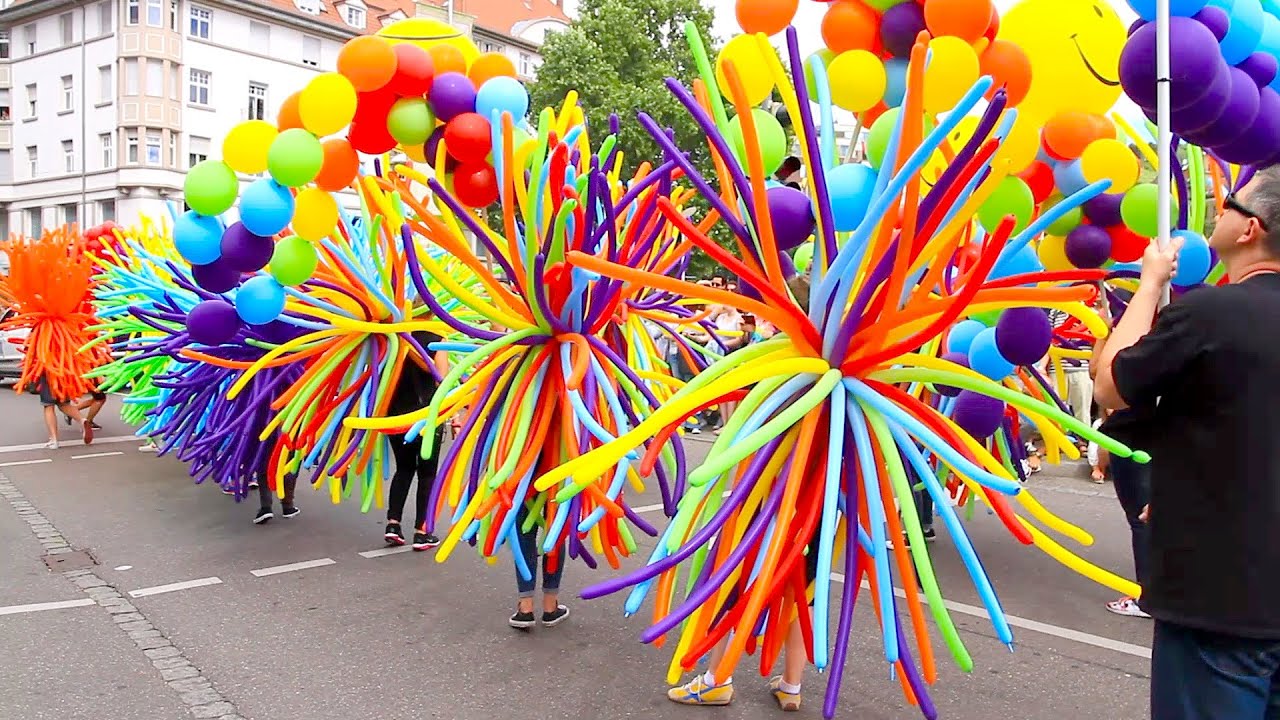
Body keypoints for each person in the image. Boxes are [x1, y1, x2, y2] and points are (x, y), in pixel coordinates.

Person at [1094, 167, 1280, 719]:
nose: (1218, 212)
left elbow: (1110, 386)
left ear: (1251, 230)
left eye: (1228, 203)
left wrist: (1150, 283)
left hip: (1219, 601)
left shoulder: (1210, 313)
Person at [383, 329, 444, 551]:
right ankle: (422, 533)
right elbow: (441, 380)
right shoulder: (437, 340)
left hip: (396, 416)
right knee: (427, 474)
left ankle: (393, 524)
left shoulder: (392, 337)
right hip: (426, 418)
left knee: (404, 469)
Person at [509, 485, 570, 630]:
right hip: (559, 466)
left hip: (526, 467)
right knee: (555, 528)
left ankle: (525, 608)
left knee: (525, 530)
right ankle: (550, 607)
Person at [33, 375, 93, 449]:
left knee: (48, 406)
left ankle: (53, 440)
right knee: (64, 405)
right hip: (63, 372)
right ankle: (82, 420)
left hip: (48, 372)